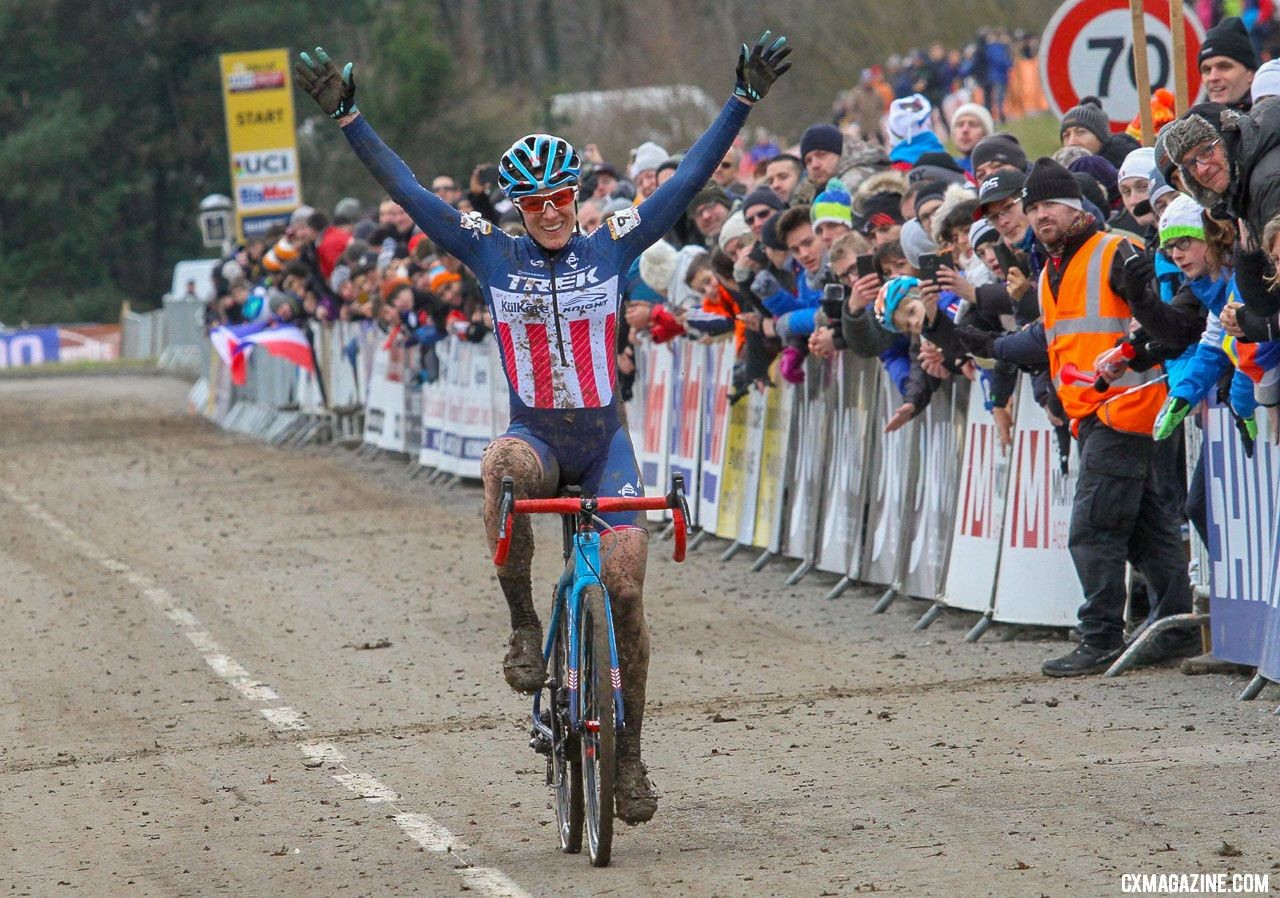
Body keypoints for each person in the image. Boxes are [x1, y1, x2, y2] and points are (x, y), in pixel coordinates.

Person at [294, 31, 791, 825]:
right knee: (499, 465)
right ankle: (526, 627)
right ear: (517, 210)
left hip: (604, 445)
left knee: (625, 590)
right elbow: (411, 189)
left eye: (562, 198)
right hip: (537, 438)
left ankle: (628, 758)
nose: (554, 213)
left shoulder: (612, 241)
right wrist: (350, 118)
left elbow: (692, 175)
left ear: (577, 197)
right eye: (537, 204)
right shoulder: (489, 253)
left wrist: (741, 100)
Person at [1198, 16, 1258, 110]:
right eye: (1207, 70)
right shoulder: (1195, 120)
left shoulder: (1271, 120)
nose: (1213, 77)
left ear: (1251, 75)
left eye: (1224, 67)